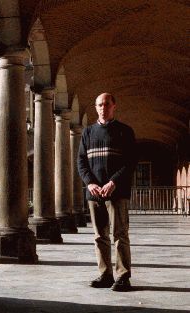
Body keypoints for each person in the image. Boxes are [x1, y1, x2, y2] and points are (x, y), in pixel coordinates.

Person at [77, 93, 137, 292]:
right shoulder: (87, 133)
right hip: (94, 193)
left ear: (114, 106)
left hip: (117, 192)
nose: (103, 108)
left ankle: (123, 276)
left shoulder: (125, 131)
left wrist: (113, 182)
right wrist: (90, 183)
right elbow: (81, 162)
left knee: (120, 234)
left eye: (106, 104)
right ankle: (105, 274)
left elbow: (130, 162)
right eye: (99, 105)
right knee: (99, 236)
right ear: (96, 108)